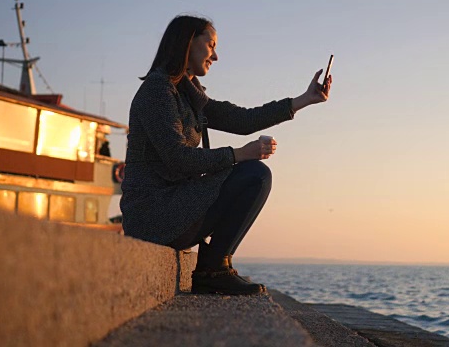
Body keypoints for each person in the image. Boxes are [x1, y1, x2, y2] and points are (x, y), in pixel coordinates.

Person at [120, 15, 332, 295]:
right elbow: (178, 158)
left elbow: (242, 120)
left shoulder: (188, 95)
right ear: (187, 43)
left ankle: (214, 266)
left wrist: (305, 99)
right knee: (253, 174)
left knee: (254, 174)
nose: (215, 56)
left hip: (173, 206)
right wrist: (239, 154)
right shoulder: (158, 91)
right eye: (210, 45)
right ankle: (213, 269)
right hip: (154, 216)